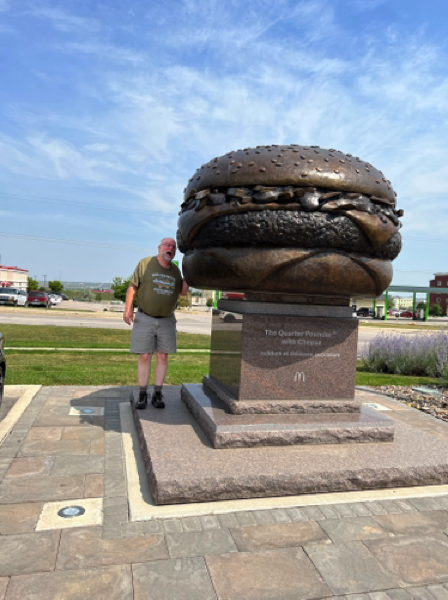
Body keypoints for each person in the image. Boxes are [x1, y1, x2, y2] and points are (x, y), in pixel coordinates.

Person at [123, 237, 189, 409]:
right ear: (159, 248)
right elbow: (132, 287)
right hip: (145, 317)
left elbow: (182, 292)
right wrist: (128, 308)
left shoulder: (175, 271)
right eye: (167, 245)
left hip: (167, 319)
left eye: (173, 247)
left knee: (163, 355)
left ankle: (158, 393)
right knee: (145, 355)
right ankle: (143, 394)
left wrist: (189, 273)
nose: (170, 248)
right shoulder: (146, 263)